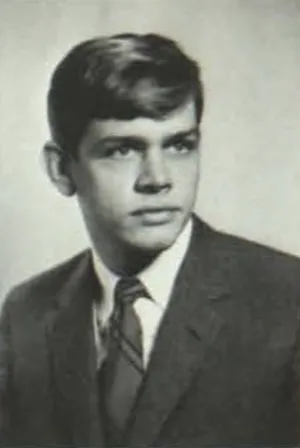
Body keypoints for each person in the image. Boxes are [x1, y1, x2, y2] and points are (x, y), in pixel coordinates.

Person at [0, 33, 300, 447]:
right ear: (61, 170)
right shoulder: (26, 315)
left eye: (180, 145)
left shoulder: (287, 300)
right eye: (122, 150)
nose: (158, 179)